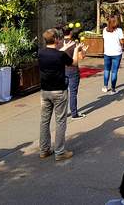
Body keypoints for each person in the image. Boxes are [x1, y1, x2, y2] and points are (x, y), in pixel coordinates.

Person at [38, 28, 80, 161]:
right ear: (56, 39)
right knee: (60, 121)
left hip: (45, 91)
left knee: (44, 121)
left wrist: (63, 48)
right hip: (59, 91)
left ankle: (44, 149)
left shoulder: (40, 53)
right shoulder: (60, 55)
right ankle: (59, 151)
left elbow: (53, 54)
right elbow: (74, 63)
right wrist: (76, 50)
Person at [60, 27, 87, 119]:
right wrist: (84, 50)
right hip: (73, 70)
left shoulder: (59, 44)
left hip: (62, 70)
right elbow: (81, 57)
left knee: (64, 93)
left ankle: (63, 113)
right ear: (70, 33)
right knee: (73, 92)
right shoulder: (75, 44)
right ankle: (74, 113)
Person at [102, 15, 124, 93]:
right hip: (117, 53)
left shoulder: (105, 30)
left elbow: (104, 39)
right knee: (114, 71)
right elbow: (122, 42)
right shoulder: (119, 30)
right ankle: (113, 88)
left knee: (106, 70)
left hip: (107, 52)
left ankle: (105, 86)